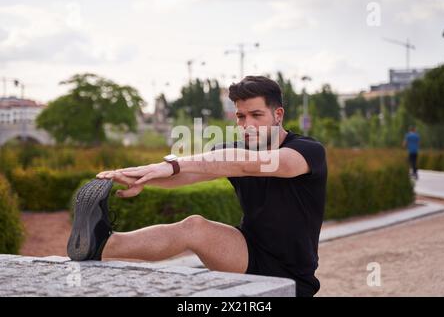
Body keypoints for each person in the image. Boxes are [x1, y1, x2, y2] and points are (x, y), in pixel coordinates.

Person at [71, 76, 327, 297]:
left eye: (256, 115)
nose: (247, 124)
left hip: (293, 277)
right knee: (194, 227)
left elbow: (253, 164)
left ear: (278, 114)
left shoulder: (306, 151)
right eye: (240, 116)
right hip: (247, 251)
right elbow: (190, 174)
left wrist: (172, 165)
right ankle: (101, 245)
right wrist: (139, 176)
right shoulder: (233, 151)